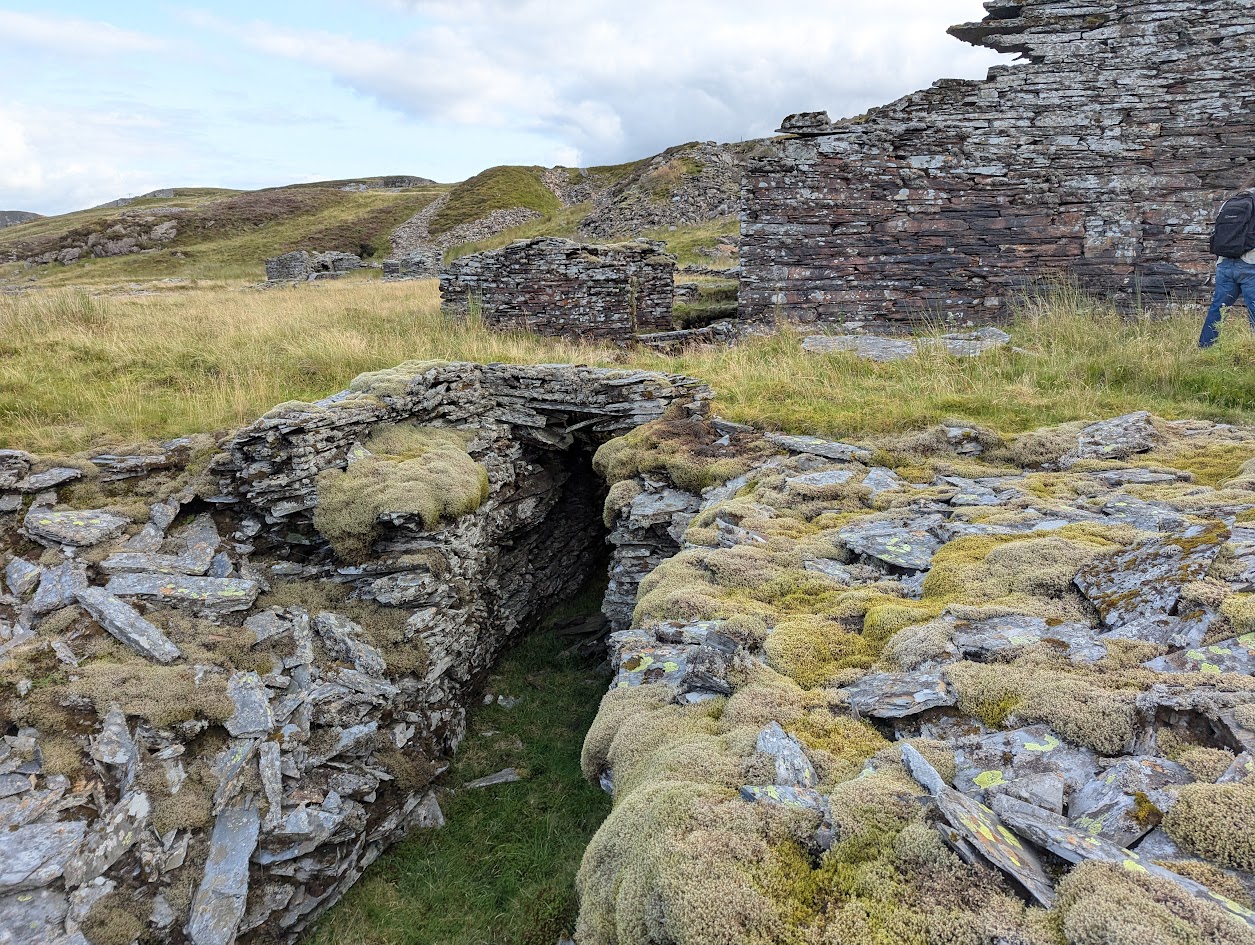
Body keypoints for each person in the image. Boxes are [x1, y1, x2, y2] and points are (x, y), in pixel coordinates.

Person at [1199, 180, 1255, 348]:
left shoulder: (1231, 201)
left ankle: (1205, 349)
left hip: (1225, 264)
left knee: (1218, 308)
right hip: (1250, 264)